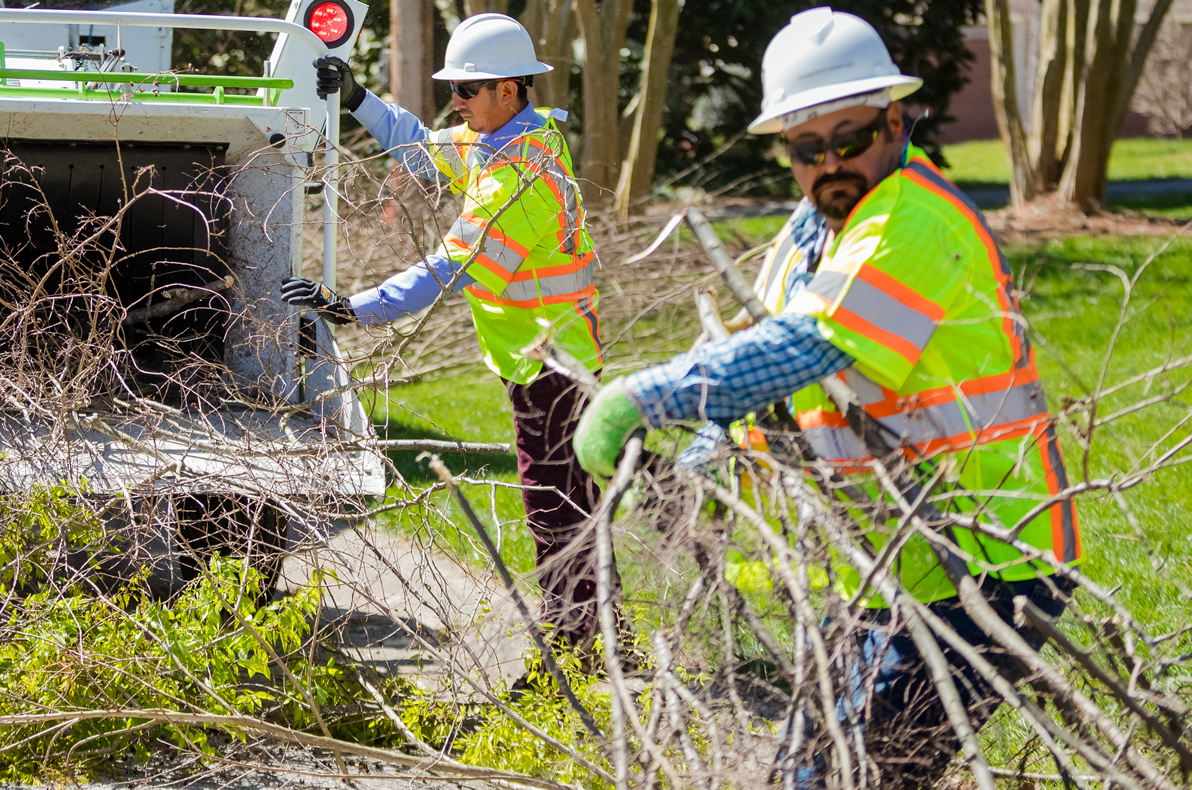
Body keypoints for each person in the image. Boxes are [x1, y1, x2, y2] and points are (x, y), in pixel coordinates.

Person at [571, 8, 1083, 788]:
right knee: (804, 772)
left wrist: (639, 399)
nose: (830, 163)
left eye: (850, 139)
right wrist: (707, 466)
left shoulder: (911, 218)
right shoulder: (806, 239)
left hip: (989, 564)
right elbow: (752, 365)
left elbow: (804, 347)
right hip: (895, 566)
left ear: (896, 120)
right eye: (808, 149)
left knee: (845, 779)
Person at [283, 14, 608, 652]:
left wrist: (356, 307)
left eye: (466, 91)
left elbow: (453, 264)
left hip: (553, 362)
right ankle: (603, 636)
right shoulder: (509, 141)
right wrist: (357, 99)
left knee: (555, 510)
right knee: (573, 502)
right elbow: (424, 147)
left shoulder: (520, 175)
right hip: (545, 355)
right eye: (453, 89)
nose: (454, 103)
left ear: (507, 91)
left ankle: (574, 650)